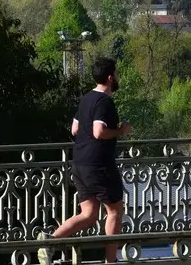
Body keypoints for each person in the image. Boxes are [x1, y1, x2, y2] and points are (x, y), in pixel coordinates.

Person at [39, 57, 132, 264]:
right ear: (110, 78)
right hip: (99, 164)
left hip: (80, 163)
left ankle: (50, 241)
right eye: (116, 74)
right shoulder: (104, 102)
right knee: (115, 211)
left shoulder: (86, 98)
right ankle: (111, 261)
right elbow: (98, 132)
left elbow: (74, 129)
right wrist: (121, 131)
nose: (118, 77)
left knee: (89, 214)